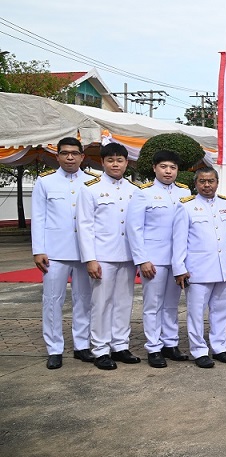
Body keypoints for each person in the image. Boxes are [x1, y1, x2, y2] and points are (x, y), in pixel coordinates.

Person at [31, 137, 95, 369]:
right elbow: (38, 217)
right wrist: (39, 250)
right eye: (65, 153)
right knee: (52, 301)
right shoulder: (45, 182)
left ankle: (82, 345)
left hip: (84, 252)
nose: (70, 157)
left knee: (84, 300)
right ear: (57, 156)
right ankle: (54, 349)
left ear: (82, 157)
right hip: (54, 252)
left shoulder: (92, 182)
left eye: (74, 153)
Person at [77, 142, 140, 370]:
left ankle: (120, 345)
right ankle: (101, 349)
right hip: (102, 255)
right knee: (101, 303)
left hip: (128, 256)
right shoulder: (90, 188)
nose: (115, 164)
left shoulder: (134, 190)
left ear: (126, 163)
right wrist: (90, 259)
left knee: (124, 302)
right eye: (110, 160)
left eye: (120, 160)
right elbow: (85, 226)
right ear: (102, 162)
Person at [127, 150, 188, 368]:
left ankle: (170, 343)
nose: (168, 171)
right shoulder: (144, 193)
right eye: (163, 167)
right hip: (154, 259)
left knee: (172, 305)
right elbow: (134, 228)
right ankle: (153, 347)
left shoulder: (184, 192)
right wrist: (142, 259)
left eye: (172, 167)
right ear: (154, 168)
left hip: (177, 260)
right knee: (152, 305)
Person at [173, 168, 226, 369]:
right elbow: (179, 240)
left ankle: (219, 347)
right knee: (196, 313)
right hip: (198, 269)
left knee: (221, 312)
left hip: (222, 268)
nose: (207, 185)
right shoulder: (186, 207)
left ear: (217, 182)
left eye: (211, 181)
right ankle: (199, 350)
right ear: (196, 184)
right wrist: (179, 268)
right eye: (202, 182)